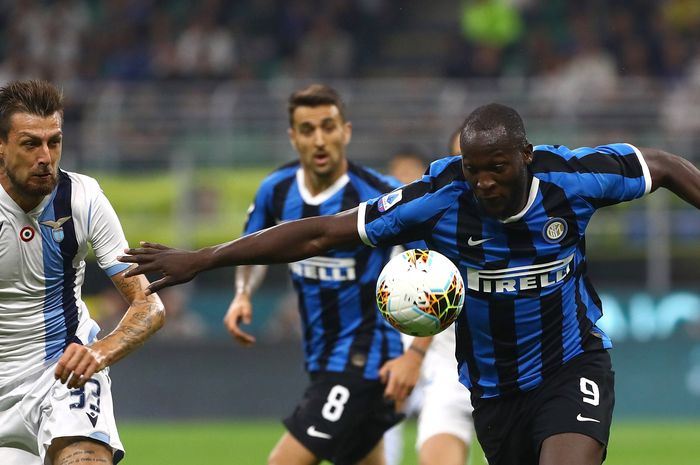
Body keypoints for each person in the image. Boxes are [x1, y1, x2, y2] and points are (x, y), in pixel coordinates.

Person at [119, 103, 700, 465]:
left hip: (573, 364)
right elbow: (324, 233)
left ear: (525, 155)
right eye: (474, 169)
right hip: (494, 390)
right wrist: (204, 258)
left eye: (497, 167)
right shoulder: (439, 195)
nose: (484, 182)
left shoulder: (575, 176)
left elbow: (668, 168)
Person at [219, 83, 421, 465]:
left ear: (346, 131)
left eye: (328, 127)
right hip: (319, 359)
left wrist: (415, 356)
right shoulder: (276, 191)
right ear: (293, 137)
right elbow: (252, 250)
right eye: (308, 130)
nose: (320, 140)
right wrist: (242, 293)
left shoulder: (379, 194)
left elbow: (436, 272)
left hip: (368, 360)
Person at [0, 80, 165, 465]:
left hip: (61, 374)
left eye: (53, 142)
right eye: (30, 144)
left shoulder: (82, 198)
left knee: (86, 458)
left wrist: (98, 352)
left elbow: (149, 303)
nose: (45, 156)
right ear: (1, 146)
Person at [383, 136, 475, 465]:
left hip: (519, 375)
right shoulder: (428, 225)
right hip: (449, 372)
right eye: (463, 162)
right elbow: (434, 299)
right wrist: (413, 356)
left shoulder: (525, 222)